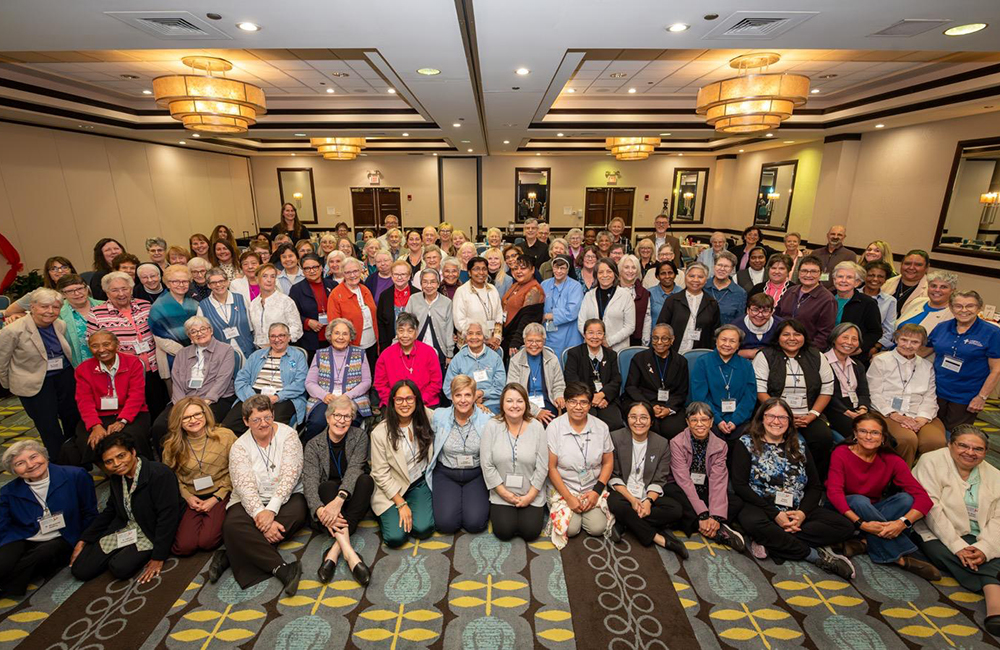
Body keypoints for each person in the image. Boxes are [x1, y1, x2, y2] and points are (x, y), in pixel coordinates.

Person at [730, 398, 856, 578]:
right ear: (761, 418)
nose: (776, 421)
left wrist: (802, 514)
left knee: (845, 526)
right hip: (761, 507)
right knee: (753, 523)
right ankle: (815, 556)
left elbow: (815, 486)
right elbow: (740, 486)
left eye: (782, 417)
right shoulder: (746, 443)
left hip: (795, 509)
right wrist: (775, 514)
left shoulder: (799, 445)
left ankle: (772, 541)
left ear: (789, 421)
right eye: (771, 416)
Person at [211, 396, 306, 595]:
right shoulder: (239, 447)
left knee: (297, 514)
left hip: (286, 496)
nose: (264, 424)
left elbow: (290, 475)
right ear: (246, 422)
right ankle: (283, 569)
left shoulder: (289, 436)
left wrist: (271, 510)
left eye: (268, 417)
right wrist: (260, 513)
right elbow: (244, 486)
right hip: (250, 501)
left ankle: (231, 552)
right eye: (256, 420)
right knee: (231, 525)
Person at [826, 413, 939, 579]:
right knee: (859, 500)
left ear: (883, 437)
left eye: (875, 433)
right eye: (863, 431)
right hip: (842, 510)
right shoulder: (841, 452)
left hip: (871, 512)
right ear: (855, 434)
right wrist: (862, 524)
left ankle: (864, 543)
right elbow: (834, 493)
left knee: (906, 499)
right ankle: (900, 558)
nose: (868, 437)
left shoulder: (892, 460)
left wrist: (902, 523)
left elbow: (923, 498)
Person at [912, 426, 1000, 636]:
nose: (970, 452)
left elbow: (998, 518)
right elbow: (931, 509)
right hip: (936, 530)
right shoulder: (930, 461)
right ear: (950, 445)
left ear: (985, 452)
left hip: (982, 534)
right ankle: (995, 604)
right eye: (963, 445)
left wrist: (985, 548)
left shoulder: (995, 475)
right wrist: (959, 546)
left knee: (982, 556)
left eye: (978, 449)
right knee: (955, 555)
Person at [71, 432, 180, 584]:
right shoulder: (117, 477)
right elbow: (110, 510)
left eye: (121, 456)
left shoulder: (159, 474)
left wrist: (158, 557)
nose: (116, 464)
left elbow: (168, 518)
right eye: (109, 461)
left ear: (133, 452)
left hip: (150, 530)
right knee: (80, 569)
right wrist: (84, 539)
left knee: (120, 568)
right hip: (127, 527)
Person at [0, 440, 97, 597]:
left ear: (44, 455)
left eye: (33, 457)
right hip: (24, 535)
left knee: (43, 554)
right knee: (4, 562)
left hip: (64, 535)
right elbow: (3, 525)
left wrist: (84, 541)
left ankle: (9, 586)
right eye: (20, 463)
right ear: (14, 471)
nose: (30, 465)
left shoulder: (75, 475)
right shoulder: (8, 492)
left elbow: (90, 513)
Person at [302, 395, 374, 585]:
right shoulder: (313, 445)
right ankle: (350, 555)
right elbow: (309, 482)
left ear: (352, 419)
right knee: (326, 486)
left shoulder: (359, 437)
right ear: (328, 418)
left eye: (347, 417)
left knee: (366, 481)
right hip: (326, 501)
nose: (342, 421)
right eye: (337, 416)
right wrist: (319, 509)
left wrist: (339, 500)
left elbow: (354, 469)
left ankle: (333, 551)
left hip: (348, 497)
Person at [0, 289, 79, 461]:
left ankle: (77, 457)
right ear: (32, 306)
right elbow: (2, 361)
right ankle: (61, 462)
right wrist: (10, 385)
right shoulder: (13, 330)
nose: (50, 311)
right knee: (48, 426)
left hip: (63, 376)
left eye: (55, 307)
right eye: (44, 306)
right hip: (34, 382)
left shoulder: (59, 324)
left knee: (71, 418)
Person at [753, 319, 835, 478]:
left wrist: (813, 415)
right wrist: (784, 416)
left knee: (824, 438)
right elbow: (760, 391)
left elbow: (827, 390)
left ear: (804, 337)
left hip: (808, 414)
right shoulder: (765, 356)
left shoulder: (817, 356)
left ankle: (814, 482)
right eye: (786, 334)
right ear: (778, 337)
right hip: (773, 415)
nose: (792, 338)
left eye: (797, 334)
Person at [606, 400, 687, 555]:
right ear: (626, 419)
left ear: (651, 421)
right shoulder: (615, 438)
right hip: (623, 494)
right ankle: (658, 538)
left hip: (646, 493)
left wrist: (648, 502)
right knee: (615, 503)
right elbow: (613, 475)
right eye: (633, 417)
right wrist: (632, 500)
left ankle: (625, 522)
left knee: (675, 509)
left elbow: (659, 479)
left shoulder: (662, 443)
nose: (638, 422)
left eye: (643, 417)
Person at [86, 271, 167, 419]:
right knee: (134, 410)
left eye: (124, 288)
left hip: (152, 367)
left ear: (131, 289)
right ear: (106, 292)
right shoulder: (96, 314)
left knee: (158, 407)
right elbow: (93, 345)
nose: (121, 293)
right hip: (124, 372)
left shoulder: (145, 305)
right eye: (115, 290)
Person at [161, 397, 236, 556]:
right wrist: (187, 496)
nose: (193, 420)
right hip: (191, 496)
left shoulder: (225, 436)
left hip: (221, 492)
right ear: (178, 421)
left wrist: (217, 498)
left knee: (207, 542)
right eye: (186, 417)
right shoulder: (171, 445)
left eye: (197, 414)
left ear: (205, 414)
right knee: (184, 547)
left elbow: (237, 469)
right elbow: (170, 477)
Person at [66, 330, 153, 466]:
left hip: (131, 413)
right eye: (95, 346)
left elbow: (137, 396)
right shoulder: (83, 369)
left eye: (107, 344)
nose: (101, 350)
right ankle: (111, 472)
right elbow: (84, 401)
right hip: (99, 416)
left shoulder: (133, 363)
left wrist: (122, 421)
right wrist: (95, 425)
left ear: (117, 344)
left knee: (130, 436)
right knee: (88, 440)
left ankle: (141, 468)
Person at [665, 403, 745, 549]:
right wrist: (702, 514)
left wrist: (714, 515)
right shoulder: (676, 442)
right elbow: (683, 481)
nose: (699, 424)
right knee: (671, 494)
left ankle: (705, 523)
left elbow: (718, 481)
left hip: (705, 487)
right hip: (683, 489)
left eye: (704, 419)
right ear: (688, 422)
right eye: (694, 420)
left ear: (711, 421)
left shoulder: (720, 445)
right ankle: (715, 530)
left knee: (736, 501)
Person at [867, 324, 946, 466]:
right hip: (887, 412)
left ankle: (924, 480)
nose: (908, 345)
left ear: (922, 344)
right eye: (904, 340)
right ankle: (902, 480)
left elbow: (930, 397)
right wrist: (895, 415)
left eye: (915, 342)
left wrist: (921, 419)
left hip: (919, 413)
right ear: (897, 339)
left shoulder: (926, 366)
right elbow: (874, 393)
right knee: (907, 439)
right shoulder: (881, 361)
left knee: (935, 442)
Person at [152, 316, 237, 446]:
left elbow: (222, 380)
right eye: (194, 331)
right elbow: (177, 382)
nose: (200, 333)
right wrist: (182, 406)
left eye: (203, 329)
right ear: (189, 336)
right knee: (159, 426)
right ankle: (169, 462)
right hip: (185, 399)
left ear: (211, 330)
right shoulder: (182, 354)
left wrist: (204, 403)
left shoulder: (226, 350)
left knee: (203, 424)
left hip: (215, 399)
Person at [478, 384, 548, 541]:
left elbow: (543, 465)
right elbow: (486, 464)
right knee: (504, 531)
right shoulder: (492, 426)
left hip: (531, 491)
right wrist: (504, 493)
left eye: (519, 401)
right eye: (509, 401)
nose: (515, 405)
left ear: (526, 404)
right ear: (502, 403)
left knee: (530, 532)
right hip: (501, 491)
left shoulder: (537, 427)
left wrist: (530, 496)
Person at [370, 380, 435, 548]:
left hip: (418, 483)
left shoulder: (427, 417)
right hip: (391, 488)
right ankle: (388, 514)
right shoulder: (379, 433)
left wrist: (480, 408)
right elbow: (380, 474)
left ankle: (413, 510)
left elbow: (453, 413)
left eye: (409, 399)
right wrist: (400, 504)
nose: (404, 404)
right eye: (399, 399)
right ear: (392, 402)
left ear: (416, 400)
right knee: (396, 538)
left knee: (423, 529)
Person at [547, 382, 613, 543]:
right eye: (573, 401)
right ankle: (572, 509)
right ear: (566, 402)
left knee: (597, 528)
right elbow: (551, 467)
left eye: (583, 402)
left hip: (592, 486)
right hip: (564, 486)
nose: (578, 407)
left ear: (590, 405)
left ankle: (587, 507)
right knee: (571, 529)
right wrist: (569, 497)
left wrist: (596, 491)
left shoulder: (601, 427)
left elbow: (608, 462)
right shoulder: (554, 427)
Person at [927, 290, 1000, 430]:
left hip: (966, 396)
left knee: (954, 435)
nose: (964, 310)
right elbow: (925, 350)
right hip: (935, 390)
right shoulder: (942, 327)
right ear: (951, 307)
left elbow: (996, 370)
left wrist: (982, 397)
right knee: (932, 430)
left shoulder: (992, 333)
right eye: (958, 306)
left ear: (979, 308)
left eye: (970, 306)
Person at [428, 375, 492, 534]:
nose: (463, 400)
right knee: (446, 525)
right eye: (458, 395)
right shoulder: (439, 416)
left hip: (476, 473)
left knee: (475, 524)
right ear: (451, 396)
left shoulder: (487, 420)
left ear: (475, 396)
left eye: (467, 395)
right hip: (446, 473)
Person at [224, 323, 307, 434]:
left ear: (289, 337)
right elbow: (241, 379)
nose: (277, 339)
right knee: (229, 426)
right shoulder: (256, 355)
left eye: (281, 335)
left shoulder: (297, 356)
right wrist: (253, 398)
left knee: (271, 428)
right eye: (273, 336)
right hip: (253, 394)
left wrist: (277, 397)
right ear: (269, 338)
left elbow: (300, 383)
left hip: (283, 396)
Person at [303, 318, 372, 442]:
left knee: (349, 422)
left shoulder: (360, 354)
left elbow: (366, 382)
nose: (340, 337)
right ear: (330, 335)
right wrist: (325, 395)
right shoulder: (320, 354)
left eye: (345, 334)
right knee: (317, 423)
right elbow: (309, 382)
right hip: (324, 399)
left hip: (352, 398)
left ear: (350, 336)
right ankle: (314, 456)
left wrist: (348, 396)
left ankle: (347, 457)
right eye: (337, 333)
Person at [690, 325, 756, 440]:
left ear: (738, 345)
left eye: (732, 341)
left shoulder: (746, 365)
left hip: (739, 420)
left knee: (745, 438)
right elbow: (700, 396)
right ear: (716, 341)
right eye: (723, 339)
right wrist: (718, 420)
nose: (727, 344)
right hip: (709, 417)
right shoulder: (703, 362)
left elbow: (749, 397)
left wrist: (735, 420)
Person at [624, 323, 688, 439]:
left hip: (669, 405)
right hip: (644, 402)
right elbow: (631, 387)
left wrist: (668, 409)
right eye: (655, 338)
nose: (659, 342)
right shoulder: (640, 358)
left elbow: (681, 392)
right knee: (649, 426)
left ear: (672, 340)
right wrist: (649, 406)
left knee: (674, 429)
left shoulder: (681, 362)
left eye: (664, 338)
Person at [565, 319, 624, 431]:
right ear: (584, 334)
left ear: (604, 335)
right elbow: (572, 380)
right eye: (591, 332)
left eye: (599, 333)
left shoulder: (611, 355)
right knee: (587, 423)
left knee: (615, 423)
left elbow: (616, 380)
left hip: (605, 400)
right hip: (581, 400)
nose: (595, 337)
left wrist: (603, 395)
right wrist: (591, 397)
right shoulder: (574, 353)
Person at [374, 312, 442, 407]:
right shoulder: (386, 355)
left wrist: (419, 401)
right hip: (394, 404)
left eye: (410, 331)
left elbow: (436, 383)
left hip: (424, 403)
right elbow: (380, 384)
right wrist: (397, 402)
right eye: (401, 331)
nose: (405, 335)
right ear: (396, 332)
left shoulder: (429, 352)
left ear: (416, 332)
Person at [507, 323, 565, 425]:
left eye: (538, 341)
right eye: (530, 341)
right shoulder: (515, 361)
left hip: (547, 401)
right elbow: (514, 391)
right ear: (524, 341)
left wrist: (559, 395)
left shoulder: (552, 359)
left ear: (544, 342)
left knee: (551, 424)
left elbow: (559, 384)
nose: (534, 344)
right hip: (522, 404)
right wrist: (536, 411)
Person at [656, 262, 719, 354]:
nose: (695, 280)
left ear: (706, 280)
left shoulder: (712, 303)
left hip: (700, 354)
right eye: (691, 276)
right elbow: (661, 327)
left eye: (700, 277)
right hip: (673, 353)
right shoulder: (673, 300)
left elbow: (715, 333)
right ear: (685, 277)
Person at [444, 321, 506, 414]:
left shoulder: (495, 358)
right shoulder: (457, 359)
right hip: (464, 404)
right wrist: (470, 399)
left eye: (478, 333)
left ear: (484, 337)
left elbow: (501, 388)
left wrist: (482, 393)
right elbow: (448, 388)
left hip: (492, 404)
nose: (474, 337)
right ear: (465, 337)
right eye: (470, 333)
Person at [149, 264, 199, 378]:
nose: (181, 285)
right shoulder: (158, 307)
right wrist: (187, 353)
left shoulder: (194, 303)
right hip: (172, 357)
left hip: (198, 352)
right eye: (175, 281)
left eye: (185, 281)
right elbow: (161, 339)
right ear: (167, 283)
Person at [824, 323, 872, 439]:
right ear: (834, 339)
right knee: (863, 435)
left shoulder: (858, 365)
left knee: (885, 436)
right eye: (845, 337)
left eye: (854, 339)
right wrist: (848, 413)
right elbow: (827, 395)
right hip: (834, 409)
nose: (849, 342)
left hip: (858, 409)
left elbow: (864, 392)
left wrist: (863, 409)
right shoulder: (822, 361)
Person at [776, 256, 836, 347]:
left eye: (813, 271)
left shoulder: (827, 299)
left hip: (806, 350)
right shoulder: (790, 291)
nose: (808, 275)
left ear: (820, 274)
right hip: (781, 345)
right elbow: (776, 317)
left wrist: (809, 352)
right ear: (798, 273)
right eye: (804, 271)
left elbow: (825, 334)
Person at [578, 258, 635, 353]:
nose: (605, 275)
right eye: (601, 272)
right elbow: (581, 322)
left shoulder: (625, 295)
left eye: (609, 271)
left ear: (615, 274)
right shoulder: (589, 295)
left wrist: (609, 341)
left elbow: (630, 326)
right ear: (596, 275)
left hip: (616, 349)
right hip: (591, 348)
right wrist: (595, 339)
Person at [288, 253, 336, 362]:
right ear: (303, 271)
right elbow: (291, 315)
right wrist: (307, 322)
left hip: (333, 337)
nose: (312, 271)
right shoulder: (296, 289)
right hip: (310, 340)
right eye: (307, 268)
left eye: (315, 267)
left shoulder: (333, 285)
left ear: (321, 268)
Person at [197, 267, 255, 359]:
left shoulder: (240, 299)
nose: (218, 285)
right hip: (220, 356)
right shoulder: (203, 306)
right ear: (208, 285)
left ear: (227, 282)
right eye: (213, 283)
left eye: (222, 281)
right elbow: (202, 335)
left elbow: (252, 326)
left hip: (248, 352)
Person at [831, 261, 882, 359]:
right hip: (826, 350)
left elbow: (875, 332)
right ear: (834, 279)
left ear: (857, 282)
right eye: (840, 276)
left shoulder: (867, 303)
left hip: (851, 354)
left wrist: (859, 348)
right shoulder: (826, 297)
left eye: (849, 277)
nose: (843, 280)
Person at [501, 253, 545, 360]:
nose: (518, 271)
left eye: (523, 268)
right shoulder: (516, 285)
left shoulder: (534, 290)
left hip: (517, 342)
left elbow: (527, 320)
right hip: (507, 337)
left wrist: (516, 342)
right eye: (516, 268)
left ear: (532, 270)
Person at [453, 257, 504, 350]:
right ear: (469, 272)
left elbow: (499, 314)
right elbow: (459, 322)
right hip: (469, 346)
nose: (481, 272)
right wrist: (483, 340)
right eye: (476, 269)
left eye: (484, 269)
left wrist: (496, 338)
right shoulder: (462, 291)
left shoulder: (492, 289)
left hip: (493, 345)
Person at [248, 264, 302, 348]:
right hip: (259, 351)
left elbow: (297, 328)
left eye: (272, 276)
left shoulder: (285, 301)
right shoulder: (253, 304)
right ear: (257, 279)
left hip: (281, 349)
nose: (269, 280)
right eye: (264, 276)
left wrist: (278, 341)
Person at [406, 269, 454, 364]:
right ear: (421, 284)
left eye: (432, 282)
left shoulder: (447, 302)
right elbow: (405, 324)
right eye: (425, 282)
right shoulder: (413, 299)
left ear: (438, 284)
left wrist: (449, 354)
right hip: (415, 349)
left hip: (439, 350)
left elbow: (449, 330)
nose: (429, 286)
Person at [56, 274, 101, 366]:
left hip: (109, 362)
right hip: (79, 366)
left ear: (86, 288)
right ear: (63, 294)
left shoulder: (104, 306)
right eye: (70, 291)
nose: (77, 293)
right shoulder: (58, 314)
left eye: (80, 288)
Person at [896, 270, 956, 338]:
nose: (937, 290)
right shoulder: (917, 301)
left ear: (952, 291)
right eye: (933, 286)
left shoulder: (953, 313)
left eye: (943, 287)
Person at [861, 261, 898, 357]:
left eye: (880, 276)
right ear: (864, 276)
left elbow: (890, 329)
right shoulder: (853, 293)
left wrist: (877, 347)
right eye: (871, 275)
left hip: (872, 347)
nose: (875, 279)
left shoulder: (890, 301)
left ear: (885, 280)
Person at [376, 260, 413, 353]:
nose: (399, 277)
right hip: (390, 345)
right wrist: (384, 347)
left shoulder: (418, 294)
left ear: (409, 276)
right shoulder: (384, 295)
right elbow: (380, 323)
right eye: (396, 274)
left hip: (414, 345)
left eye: (403, 274)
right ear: (391, 276)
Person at [882, 250, 929, 318]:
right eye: (907, 263)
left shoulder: (930, 291)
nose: (911, 267)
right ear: (901, 264)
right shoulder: (887, 282)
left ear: (927, 268)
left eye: (918, 265)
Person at [705, 251, 747, 325]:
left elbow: (739, 321)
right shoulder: (703, 286)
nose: (722, 269)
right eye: (719, 265)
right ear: (714, 266)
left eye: (726, 266)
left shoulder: (740, 293)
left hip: (725, 334)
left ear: (732, 269)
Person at [618, 254, 651, 346]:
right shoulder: (613, 290)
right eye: (626, 267)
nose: (630, 271)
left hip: (636, 340)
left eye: (634, 268)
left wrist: (645, 341)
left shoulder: (644, 293)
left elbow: (647, 317)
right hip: (615, 339)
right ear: (620, 269)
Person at [736, 293, 783, 357]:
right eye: (755, 310)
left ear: (772, 312)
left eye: (765, 311)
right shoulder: (736, 326)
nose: (760, 315)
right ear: (748, 310)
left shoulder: (781, 325)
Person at [647, 261, 682, 329]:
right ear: (657, 276)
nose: (667, 276)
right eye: (663, 273)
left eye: (670, 273)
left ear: (675, 274)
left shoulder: (682, 293)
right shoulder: (649, 294)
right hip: (655, 337)